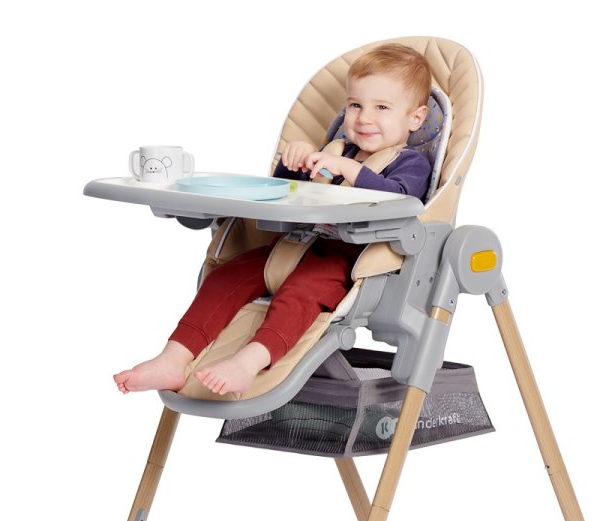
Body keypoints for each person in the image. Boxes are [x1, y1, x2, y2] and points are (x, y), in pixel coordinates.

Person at [114, 43, 433, 396]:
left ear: (415, 118)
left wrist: (349, 169)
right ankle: (173, 358)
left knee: (301, 294)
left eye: (382, 107)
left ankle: (248, 362)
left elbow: (401, 199)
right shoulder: (333, 151)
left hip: (347, 259)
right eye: (355, 105)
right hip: (293, 246)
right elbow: (288, 194)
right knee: (226, 275)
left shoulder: (410, 163)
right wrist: (293, 163)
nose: (364, 118)